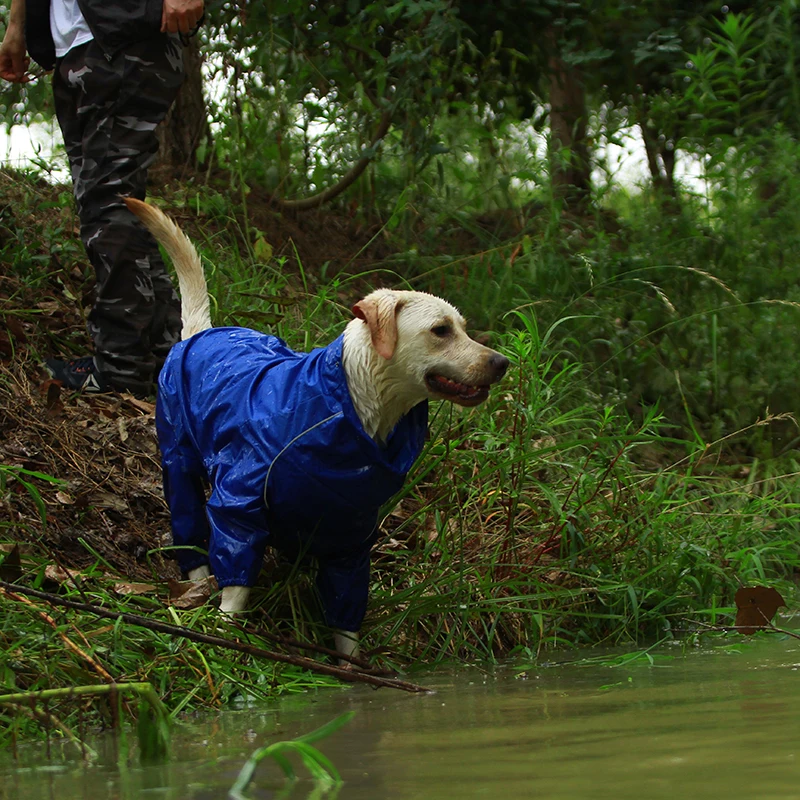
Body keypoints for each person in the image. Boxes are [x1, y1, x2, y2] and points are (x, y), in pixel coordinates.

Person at [0, 0, 204, 396]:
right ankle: (169, 356)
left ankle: (122, 368)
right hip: (73, 49)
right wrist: (17, 25)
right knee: (115, 207)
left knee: (108, 207)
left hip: (129, 36)